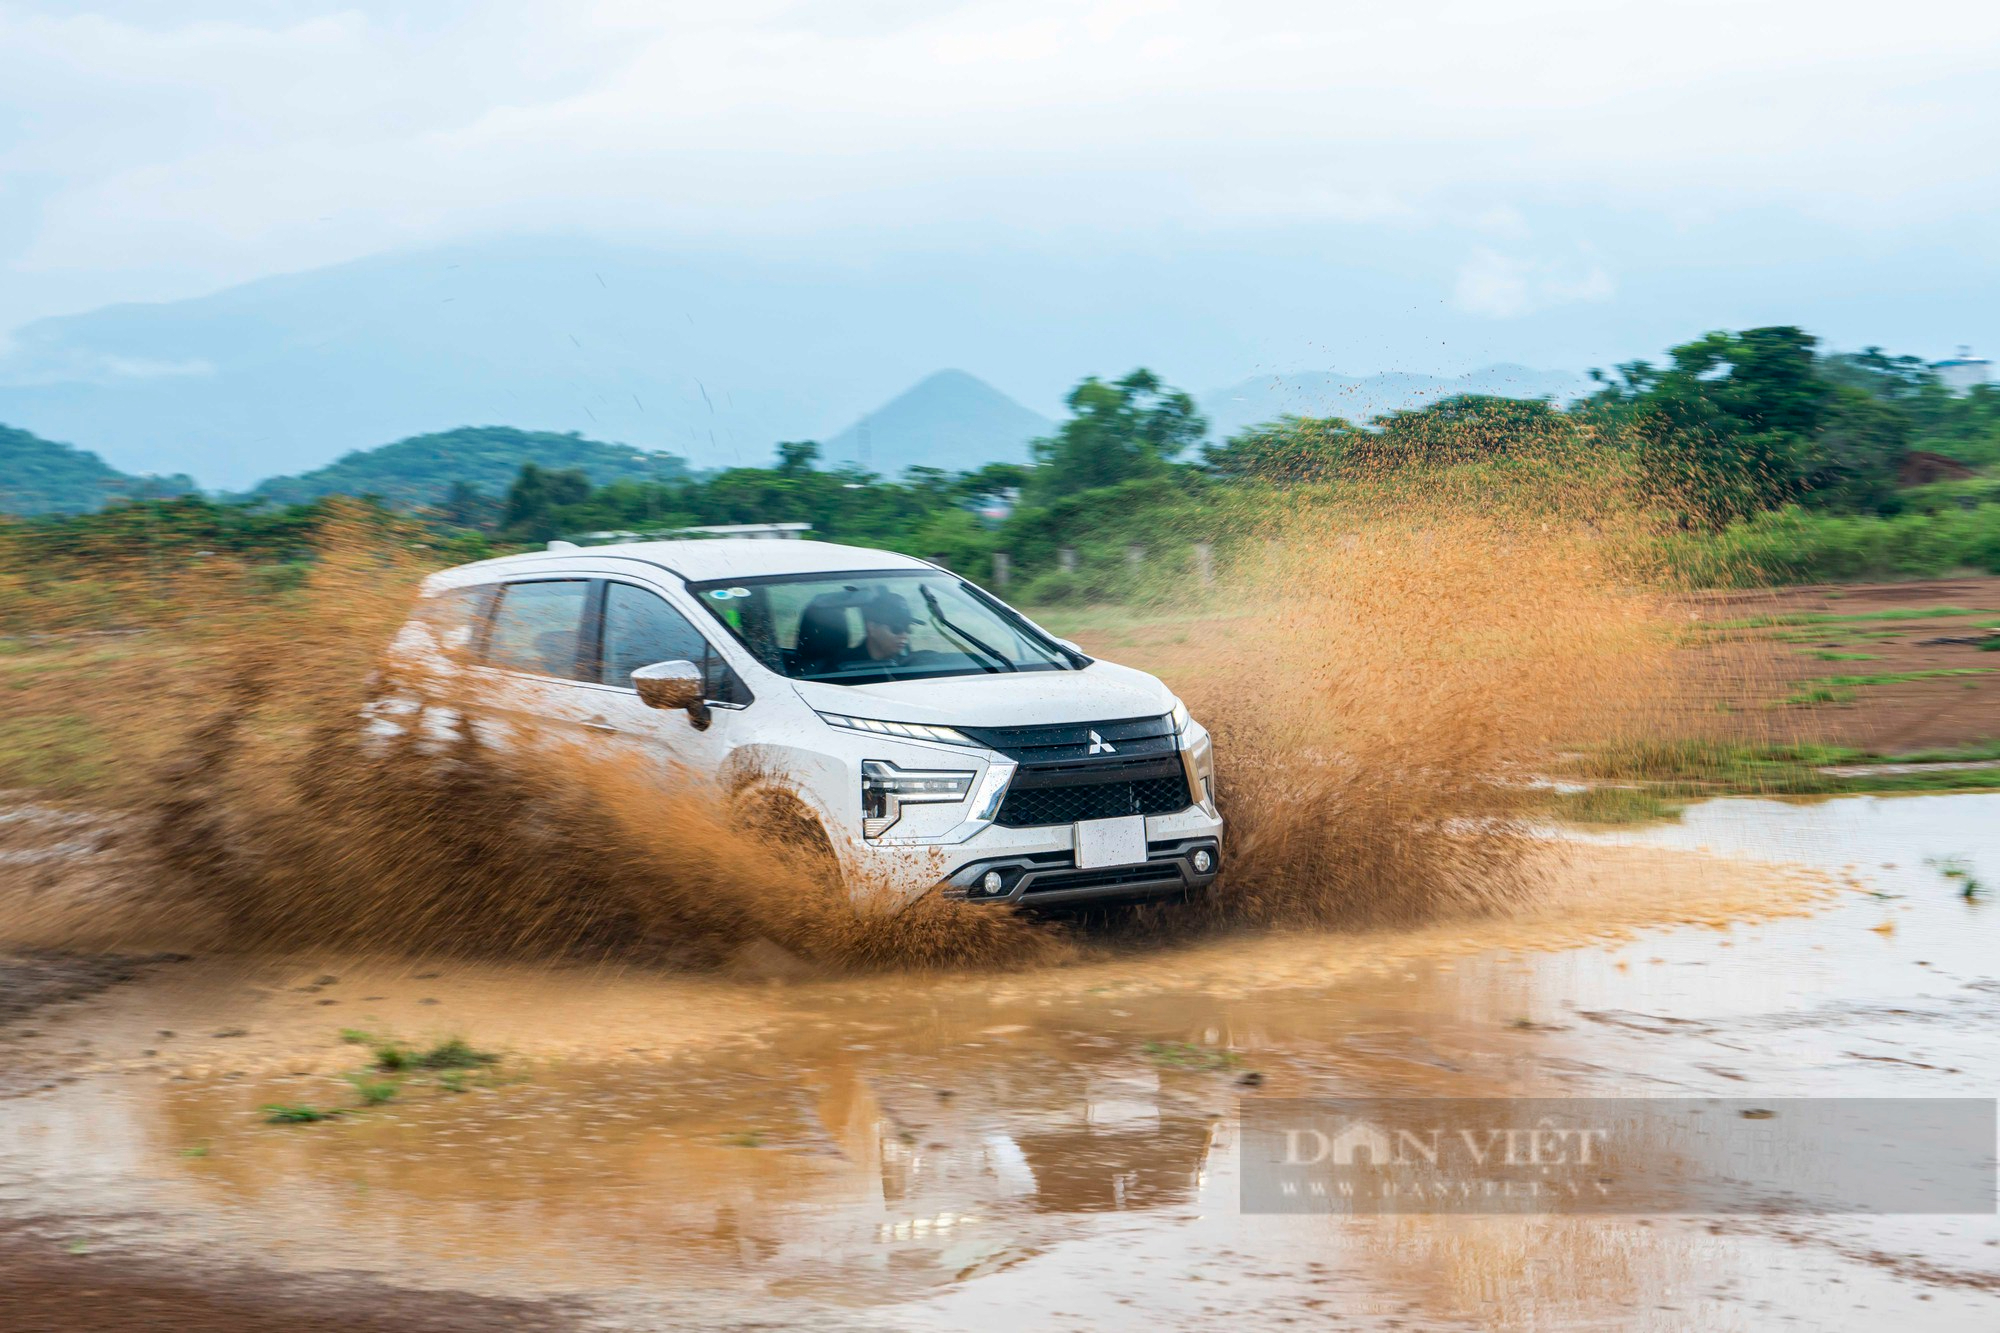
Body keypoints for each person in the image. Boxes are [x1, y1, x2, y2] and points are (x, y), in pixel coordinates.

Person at [855, 589, 914, 663]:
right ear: (871, 627)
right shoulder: (841, 667)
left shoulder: (911, 664)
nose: (905, 636)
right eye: (896, 628)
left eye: (907, 628)